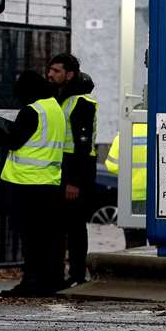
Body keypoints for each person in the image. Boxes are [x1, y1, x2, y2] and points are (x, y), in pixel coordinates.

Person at [0, 68, 68, 297]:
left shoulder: (32, 111)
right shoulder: (54, 108)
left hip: (27, 184)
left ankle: (31, 282)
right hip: (50, 183)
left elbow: (14, 142)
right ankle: (52, 281)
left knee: (31, 238)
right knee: (49, 237)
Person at [49, 54, 98, 286]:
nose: (50, 75)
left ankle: (77, 274)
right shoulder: (61, 99)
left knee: (75, 226)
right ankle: (63, 274)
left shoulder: (80, 102)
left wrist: (73, 181)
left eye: (56, 71)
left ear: (70, 74)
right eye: (50, 70)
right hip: (64, 167)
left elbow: (82, 143)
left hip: (77, 168)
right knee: (61, 225)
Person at [106, 123, 149, 248]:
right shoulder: (155, 130)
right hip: (153, 196)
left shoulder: (123, 135)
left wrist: (127, 172)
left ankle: (133, 266)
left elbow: (111, 165)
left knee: (133, 242)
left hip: (131, 195)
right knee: (155, 245)